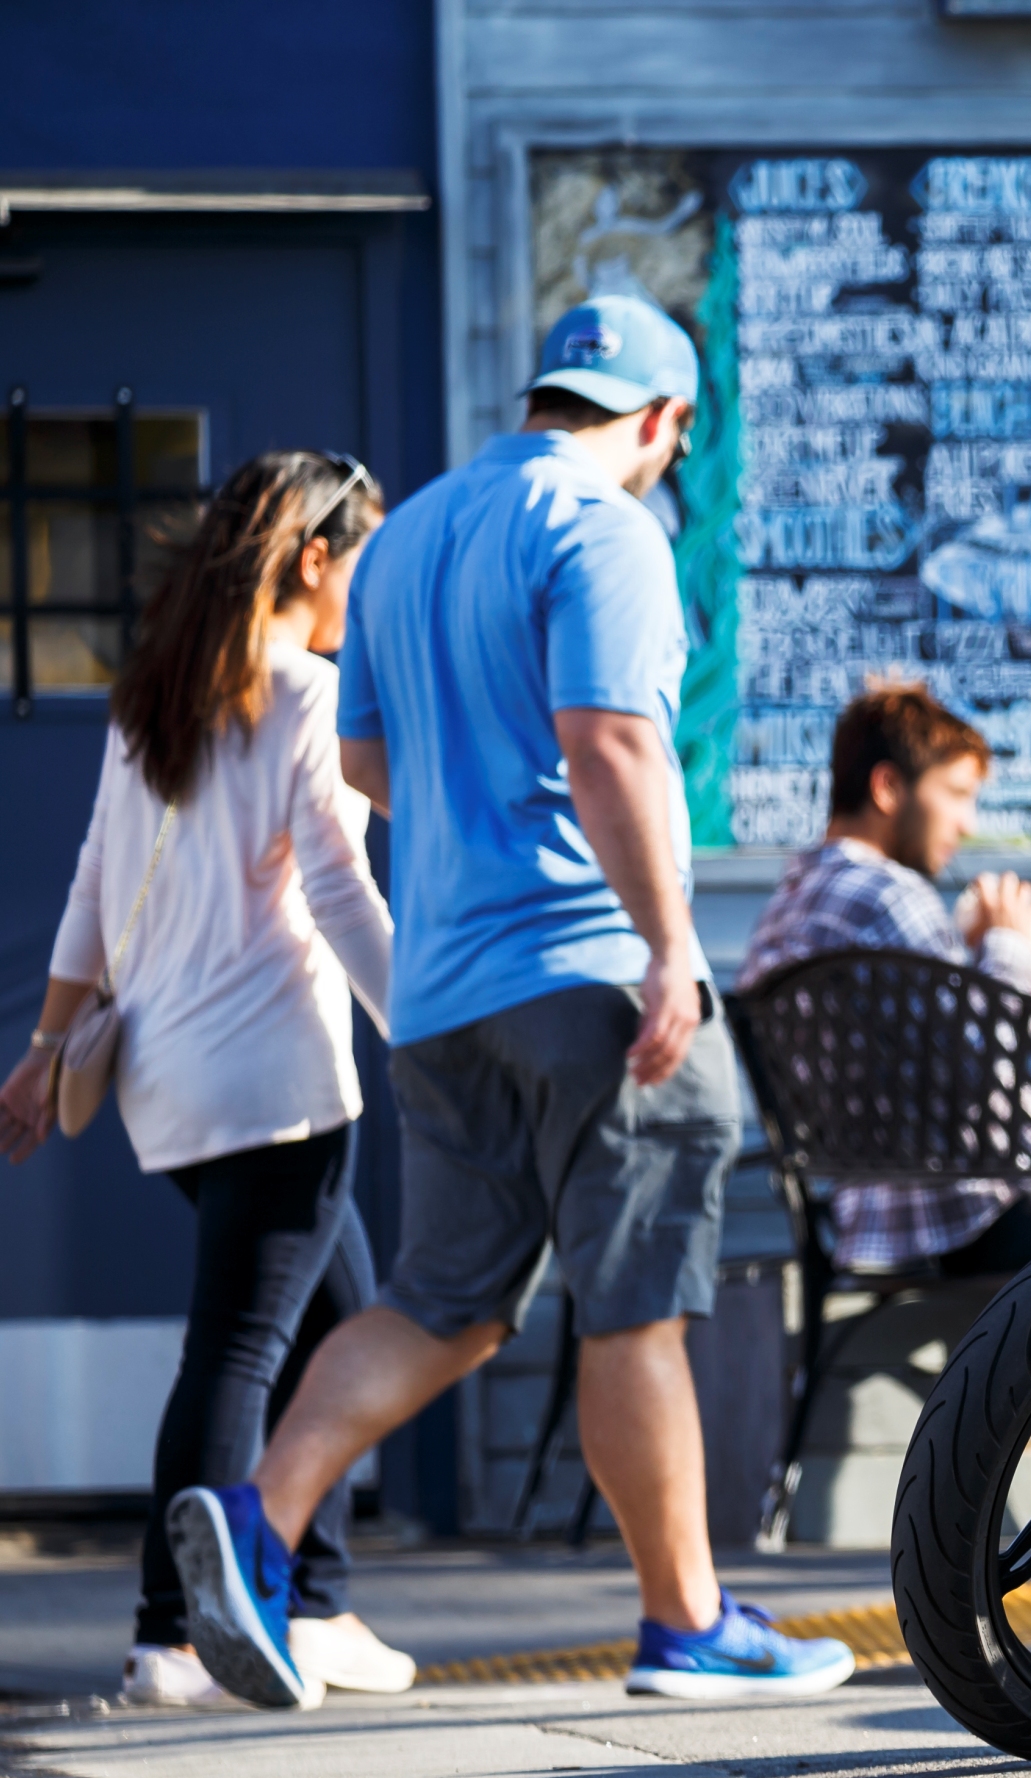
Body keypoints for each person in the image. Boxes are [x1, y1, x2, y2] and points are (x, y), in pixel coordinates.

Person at [165, 296, 851, 1706]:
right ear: (659, 421)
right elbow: (607, 742)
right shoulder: (606, 530)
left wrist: (477, 824)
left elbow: (364, 759)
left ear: (549, 393)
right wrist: (668, 947)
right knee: (636, 1300)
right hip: (587, 969)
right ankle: (687, 1624)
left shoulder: (405, 535)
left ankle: (257, 1521)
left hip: (441, 987)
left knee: (445, 1301)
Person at [0, 452, 415, 1707]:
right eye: (363, 560)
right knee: (240, 1349)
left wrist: (40, 1047)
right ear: (311, 559)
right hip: (277, 1083)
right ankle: (169, 1630)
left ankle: (319, 1599)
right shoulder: (302, 691)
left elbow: (89, 882)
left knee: (343, 1326)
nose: (368, 589)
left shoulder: (159, 696)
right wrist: (433, 1024)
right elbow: (339, 888)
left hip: (169, 1085)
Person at [737, 682, 1031, 1275]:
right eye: (957, 793)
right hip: (966, 1214)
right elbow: (988, 1070)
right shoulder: (891, 896)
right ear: (889, 787)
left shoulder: (786, 905)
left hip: (866, 1219)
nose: (967, 823)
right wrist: (1012, 946)